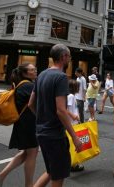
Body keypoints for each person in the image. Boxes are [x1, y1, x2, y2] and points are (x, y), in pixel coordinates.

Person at [28, 44, 82, 187]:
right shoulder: (61, 77)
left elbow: (31, 104)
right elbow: (61, 110)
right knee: (57, 176)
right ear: (63, 56)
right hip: (55, 135)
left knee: (52, 171)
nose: (70, 59)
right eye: (69, 56)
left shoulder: (42, 75)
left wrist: (43, 118)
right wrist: (75, 137)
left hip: (41, 132)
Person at [0, 63, 39, 187]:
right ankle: (29, 185)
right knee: (32, 152)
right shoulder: (28, 86)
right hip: (29, 124)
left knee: (26, 153)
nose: (35, 71)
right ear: (25, 73)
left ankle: (0, 177)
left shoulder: (21, 85)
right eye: (32, 70)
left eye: (35, 69)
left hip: (23, 123)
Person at [67, 79, 85, 172]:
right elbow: (67, 110)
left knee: (71, 144)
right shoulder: (71, 96)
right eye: (77, 86)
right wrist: (75, 116)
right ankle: (73, 164)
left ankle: (72, 163)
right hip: (72, 123)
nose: (79, 88)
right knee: (74, 145)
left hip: (71, 122)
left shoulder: (70, 96)